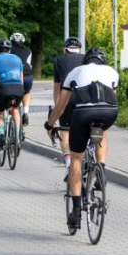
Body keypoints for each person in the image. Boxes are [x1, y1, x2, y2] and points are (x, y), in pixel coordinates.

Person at [45, 47, 119, 227]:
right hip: (109, 112)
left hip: (82, 113)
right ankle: (101, 169)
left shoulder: (75, 72)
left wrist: (50, 123)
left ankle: (76, 211)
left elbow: (60, 108)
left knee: (76, 159)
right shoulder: (112, 72)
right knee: (103, 131)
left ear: (86, 60)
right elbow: (112, 97)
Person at [52, 37, 85, 172]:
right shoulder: (86, 59)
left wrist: (58, 107)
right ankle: (93, 162)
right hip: (85, 99)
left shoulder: (58, 60)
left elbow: (56, 87)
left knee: (65, 132)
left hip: (67, 99)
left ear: (65, 49)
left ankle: (68, 163)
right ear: (80, 49)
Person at [0, 39, 24, 149]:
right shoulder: (18, 59)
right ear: (10, 50)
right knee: (15, 109)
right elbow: (21, 78)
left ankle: (1, 135)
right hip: (18, 88)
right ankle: (17, 135)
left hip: (4, 88)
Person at [10, 32, 33, 125]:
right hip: (27, 75)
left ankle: (12, 120)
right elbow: (29, 63)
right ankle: (26, 112)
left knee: (11, 94)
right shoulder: (28, 50)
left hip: (13, 76)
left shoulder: (8, 49)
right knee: (26, 93)